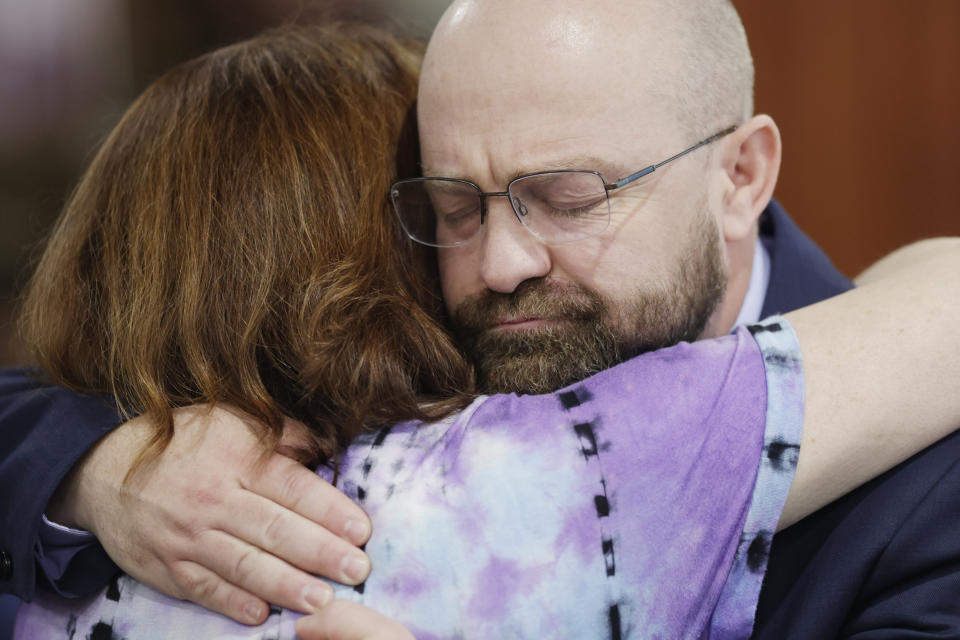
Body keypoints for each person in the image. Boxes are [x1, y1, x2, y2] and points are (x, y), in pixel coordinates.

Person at [0, 1, 958, 637]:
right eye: (452, 207)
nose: (499, 265)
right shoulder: (391, 396)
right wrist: (95, 468)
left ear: (740, 175)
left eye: (571, 197)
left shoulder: (929, 482)